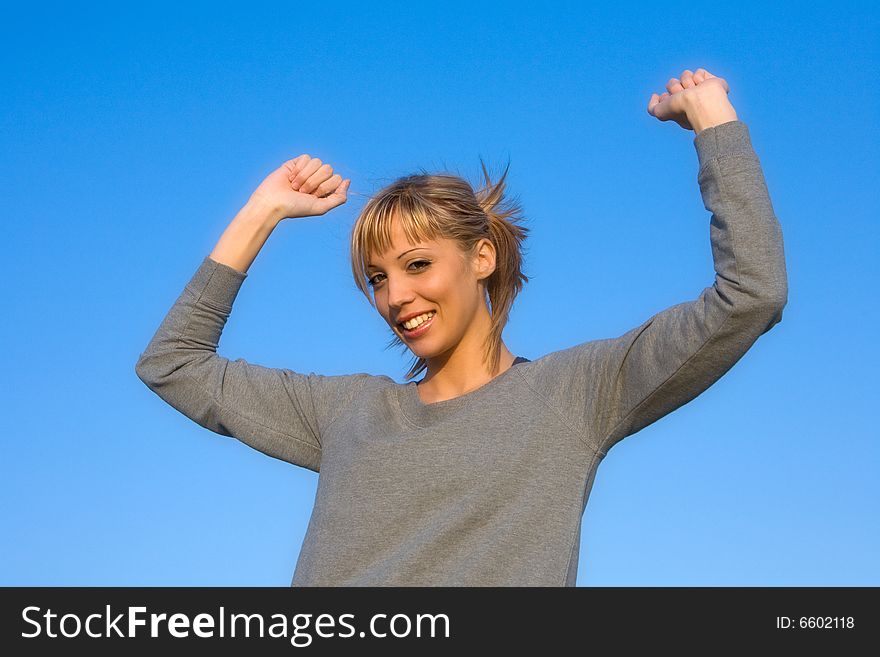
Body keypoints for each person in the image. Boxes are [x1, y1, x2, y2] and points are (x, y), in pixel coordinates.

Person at [135, 67, 788, 586]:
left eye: (417, 264)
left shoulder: (575, 395)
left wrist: (715, 123)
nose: (396, 295)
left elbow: (750, 295)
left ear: (482, 257)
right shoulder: (346, 413)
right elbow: (172, 364)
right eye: (377, 277)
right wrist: (263, 211)